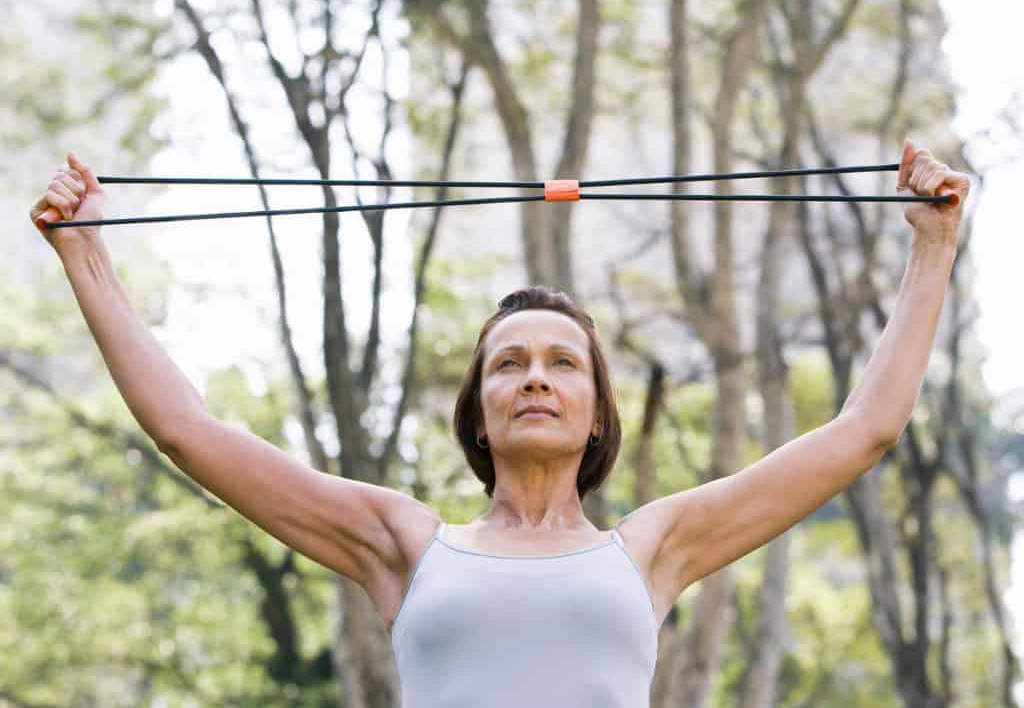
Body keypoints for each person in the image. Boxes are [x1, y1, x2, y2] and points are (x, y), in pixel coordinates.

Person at [31, 142, 970, 707]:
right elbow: (187, 430)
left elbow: (865, 429)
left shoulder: (654, 549)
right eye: (508, 363)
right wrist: (88, 260)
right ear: (477, 410)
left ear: (597, 411)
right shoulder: (403, 543)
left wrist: (933, 247)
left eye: (564, 363)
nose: (535, 377)